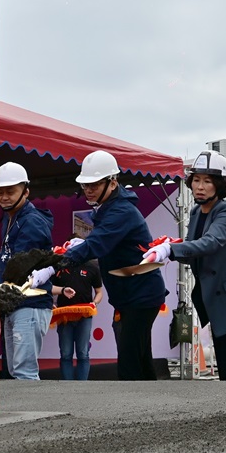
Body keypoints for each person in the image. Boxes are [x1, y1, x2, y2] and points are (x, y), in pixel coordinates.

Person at [146, 150, 226, 381]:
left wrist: (172, 249)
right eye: (196, 180)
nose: (199, 186)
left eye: (207, 181)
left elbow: (210, 243)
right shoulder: (197, 212)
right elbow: (193, 250)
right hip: (218, 305)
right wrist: (166, 248)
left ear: (220, 185)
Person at [58, 150, 168, 381]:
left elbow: (97, 245)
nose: (88, 190)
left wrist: (59, 260)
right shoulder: (110, 208)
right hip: (134, 295)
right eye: (85, 185)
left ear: (112, 182)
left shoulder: (121, 211)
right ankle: (153, 407)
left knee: (130, 359)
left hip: (141, 294)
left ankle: (134, 409)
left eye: (94, 185)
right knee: (139, 356)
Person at [0, 162, 55, 381]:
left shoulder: (31, 222)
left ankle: (40, 416)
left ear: (26, 191)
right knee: (15, 370)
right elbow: (7, 258)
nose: (4, 197)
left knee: (24, 372)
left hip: (30, 304)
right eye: (0, 192)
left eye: (11, 191)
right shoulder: (12, 219)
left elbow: (20, 265)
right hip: (16, 304)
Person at [51, 260, 103, 380]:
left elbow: (99, 292)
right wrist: (51, 303)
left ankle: (81, 388)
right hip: (64, 316)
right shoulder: (60, 266)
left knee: (83, 354)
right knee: (65, 354)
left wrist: (94, 303)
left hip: (84, 316)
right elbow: (50, 288)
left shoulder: (92, 267)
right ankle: (67, 387)